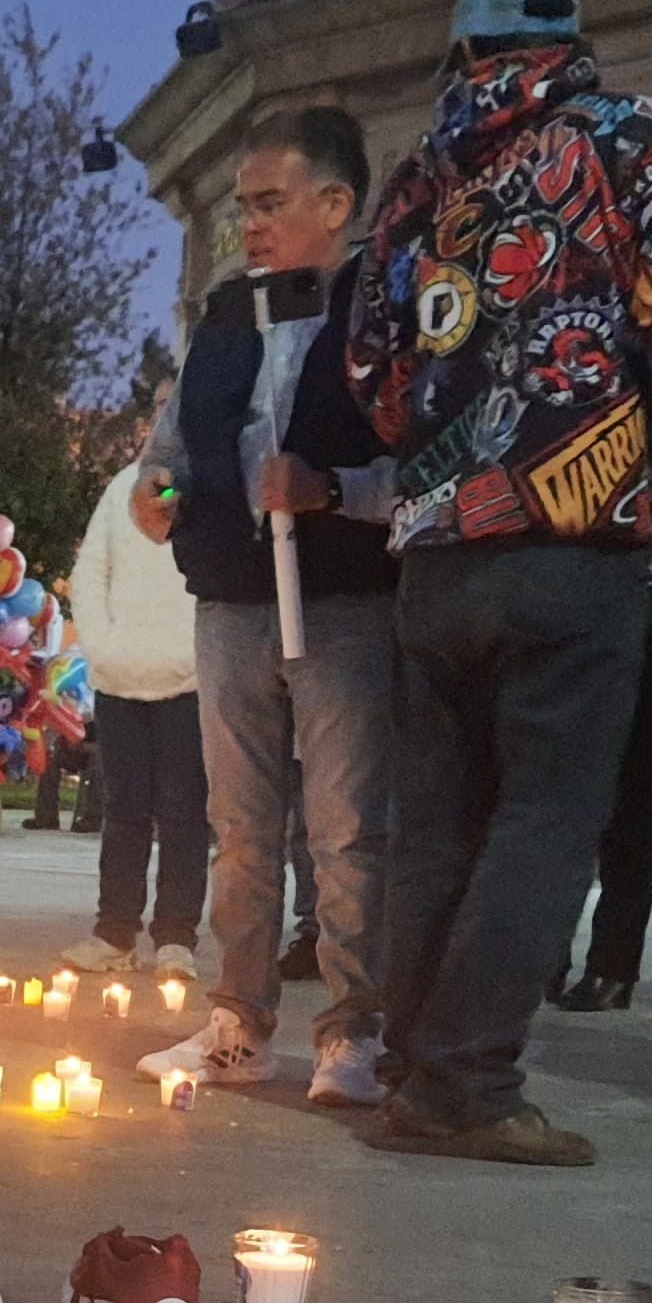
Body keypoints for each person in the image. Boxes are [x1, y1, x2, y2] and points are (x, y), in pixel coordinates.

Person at [346, 0, 652, 1166]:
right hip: (575, 536)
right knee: (545, 816)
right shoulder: (631, 141)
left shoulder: (417, 184)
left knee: (437, 826)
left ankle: (415, 1066)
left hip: (438, 550)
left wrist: (442, 446)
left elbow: (371, 369)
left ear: (461, 49)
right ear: (568, 43)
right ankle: (468, 1084)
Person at [130, 106, 402, 1108]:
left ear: (336, 206)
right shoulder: (223, 323)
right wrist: (158, 498)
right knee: (239, 828)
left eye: (269, 203)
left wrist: (334, 490)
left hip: (342, 599)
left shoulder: (385, 317)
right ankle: (239, 1022)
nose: (248, 224)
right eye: (241, 207)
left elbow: (427, 469)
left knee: (346, 830)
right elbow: (168, 456)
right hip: (234, 597)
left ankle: (355, 1029)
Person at [63, 460, 205, 980]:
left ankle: (175, 937)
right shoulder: (123, 486)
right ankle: (114, 933)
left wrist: (201, 654)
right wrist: (102, 650)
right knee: (122, 811)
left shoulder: (209, 481)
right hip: (120, 681)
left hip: (190, 681)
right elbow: (89, 570)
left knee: (185, 812)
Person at [546, 562, 652, 1011]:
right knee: (553, 793)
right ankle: (545, 957)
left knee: (629, 790)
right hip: (572, 609)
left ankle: (613, 966)